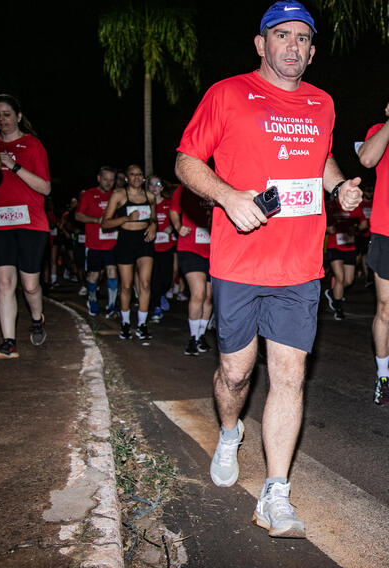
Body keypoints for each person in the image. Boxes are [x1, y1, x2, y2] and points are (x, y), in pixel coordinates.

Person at [175, 0, 362, 538]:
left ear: (312, 49)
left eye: (303, 38)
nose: (293, 46)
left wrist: (337, 185)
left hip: (300, 264)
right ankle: (229, 430)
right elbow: (187, 161)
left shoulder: (322, 102)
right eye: (282, 35)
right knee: (235, 373)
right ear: (261, 44)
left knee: (288, 375)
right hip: (239, 261)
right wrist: (229, 196)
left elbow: (318, 156)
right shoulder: (228, 93)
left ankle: (276, 492)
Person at [0, 94, 51, 358]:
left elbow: (45, 188)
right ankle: (9, 343)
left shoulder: (32, 145)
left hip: (31, 224)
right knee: (4, 283)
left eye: (6, 114)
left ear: (18, 116)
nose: (1, 120)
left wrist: (13, 166)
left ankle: (37, 319)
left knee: (29, 285)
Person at [101, 164, 157, 340]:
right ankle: (125, 323)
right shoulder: (119, 195)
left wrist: (154, 225)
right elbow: (105, 223)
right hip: (126, 241)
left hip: (145, 241)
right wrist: (126, 218)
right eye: (132, 175)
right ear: (126, 177)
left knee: (145, 284)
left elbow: (153, 218)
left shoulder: (150, 196)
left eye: (139, 175)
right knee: (126, 286)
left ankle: (142, 325)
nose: (137, 178)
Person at [358, 102, 389, 405]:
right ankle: (384, 376)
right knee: (385, 309)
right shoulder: (379, 133)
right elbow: (366, 159)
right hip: (386, 233)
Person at [169, 184, 213, 355]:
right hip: (190, 248)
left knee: (209, 298)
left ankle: (201, 335)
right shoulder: (185, 189)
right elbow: (174, 209)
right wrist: (178, 226)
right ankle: (193, 338)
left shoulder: (215, 187)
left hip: (213, 251)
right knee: (198, 293)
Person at [75, 166, 119, 317]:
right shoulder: (89, 194)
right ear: (99, 179)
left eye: (112, 180)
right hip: (94, 243)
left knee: (112, 271)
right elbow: (78, 216)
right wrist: (96, 220)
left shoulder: (117, 195)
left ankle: (111, 305)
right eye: (105, 179)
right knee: (94, 275)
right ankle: (92, 300)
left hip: (112, 242)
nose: (108, 183)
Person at [324, 200, 367, 320]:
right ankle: (338, 309)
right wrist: (330, 227)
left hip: (349, 246)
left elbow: (364, 224)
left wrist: (356, 229)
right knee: (340, 277)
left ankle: (332, 294)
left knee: (348, 280)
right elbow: (327, 227)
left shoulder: (354, 206)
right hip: (334, 247)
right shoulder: (331, 206)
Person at [147, 175, 175, 322]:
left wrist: (172, 227)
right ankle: (156, 307)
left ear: (162, 188)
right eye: (150, 185)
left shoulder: (169, 203)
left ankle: (161, 294)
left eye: (157, 184)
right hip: (151, 249)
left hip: (167, 246)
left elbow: (179, 219)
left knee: (167, 279)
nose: (154, 187)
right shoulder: (146, 204)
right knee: (154, 279)